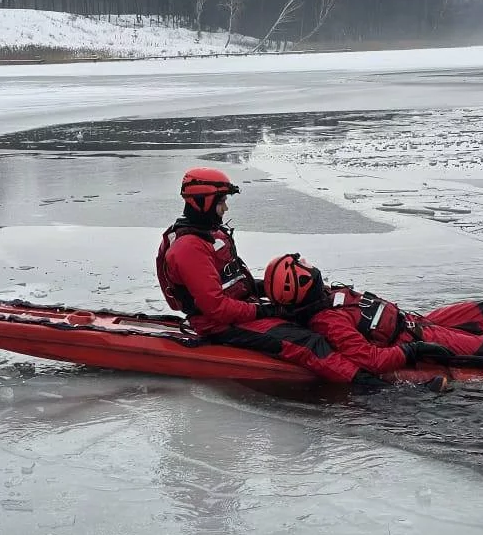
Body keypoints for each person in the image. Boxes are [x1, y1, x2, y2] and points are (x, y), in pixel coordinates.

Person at [154, 167, 381, 391]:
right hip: (219, 325)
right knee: (310, 343)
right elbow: (217, 309)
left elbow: (238, 282)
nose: (225, 208)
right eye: (221, 201)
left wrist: (288, 293)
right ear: (203, 201)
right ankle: (372, 386)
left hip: (242, 310)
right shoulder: (189, 249)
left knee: (316, 308)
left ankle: (376, 348)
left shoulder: (210, 235)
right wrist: (270, 311)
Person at [260, 253, 483, 377]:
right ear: (303, 284)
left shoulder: (323, 297)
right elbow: (370, 360)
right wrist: (413, 350)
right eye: (308, 270)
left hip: (420, 321)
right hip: (421, 338)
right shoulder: (329, 321)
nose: (314, 268)